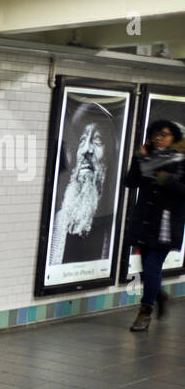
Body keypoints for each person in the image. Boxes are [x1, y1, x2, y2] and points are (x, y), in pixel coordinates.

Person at [124, 119, 185, 332]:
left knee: (152, 266)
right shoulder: (146, 159)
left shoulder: (181, 161)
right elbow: (130, 183)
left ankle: (145, 311)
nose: (160, 138)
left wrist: (166, 179)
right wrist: (138, 157)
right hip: (144, 220)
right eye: (156, 134)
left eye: (165, 134)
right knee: (147, 267)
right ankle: (158, 293)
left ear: (174, 138)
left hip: (166, 223)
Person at [49, 102, 117, 266]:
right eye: (82, 140)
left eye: (97, 140)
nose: (87, 149)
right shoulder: (58, 223)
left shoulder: (112, 220)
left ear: (109, 154)